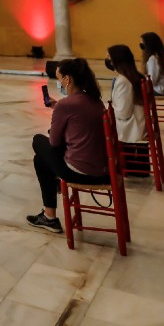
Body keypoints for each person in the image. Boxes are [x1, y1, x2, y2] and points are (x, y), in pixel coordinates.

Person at [27, 58, 109, 233]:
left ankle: (50, 215)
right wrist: (59, 109)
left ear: (68, 79)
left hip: (81, 171)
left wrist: (58, 111)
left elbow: (54, 142)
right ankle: (49, 216)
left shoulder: (66, 105)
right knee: (40, 160)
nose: (58, 83)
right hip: (103, 168)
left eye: (59, 78)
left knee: (37, 141)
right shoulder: (95, 100)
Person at [107, 44, 149, 171]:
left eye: (109, 57)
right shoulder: (135, 76)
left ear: (116, 61)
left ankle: (108, 167)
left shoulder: (124, 81)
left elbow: (123, 113)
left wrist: (109, 108)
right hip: (137, 123)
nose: (107, 60)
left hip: (132, 127)